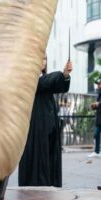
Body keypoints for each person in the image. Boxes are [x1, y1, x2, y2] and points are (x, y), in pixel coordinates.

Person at [18, 56, 73, 187]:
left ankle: (50, 185)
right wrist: (62, 74)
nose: (43, 61)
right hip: (35, 128)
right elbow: (45, 82)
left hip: (50, 128)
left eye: (45, 59)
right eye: (40, 57)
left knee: (50, 160)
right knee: (37, 160)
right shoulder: (27, 80)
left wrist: (65, 76)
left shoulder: (45, 80)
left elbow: (60, 86)